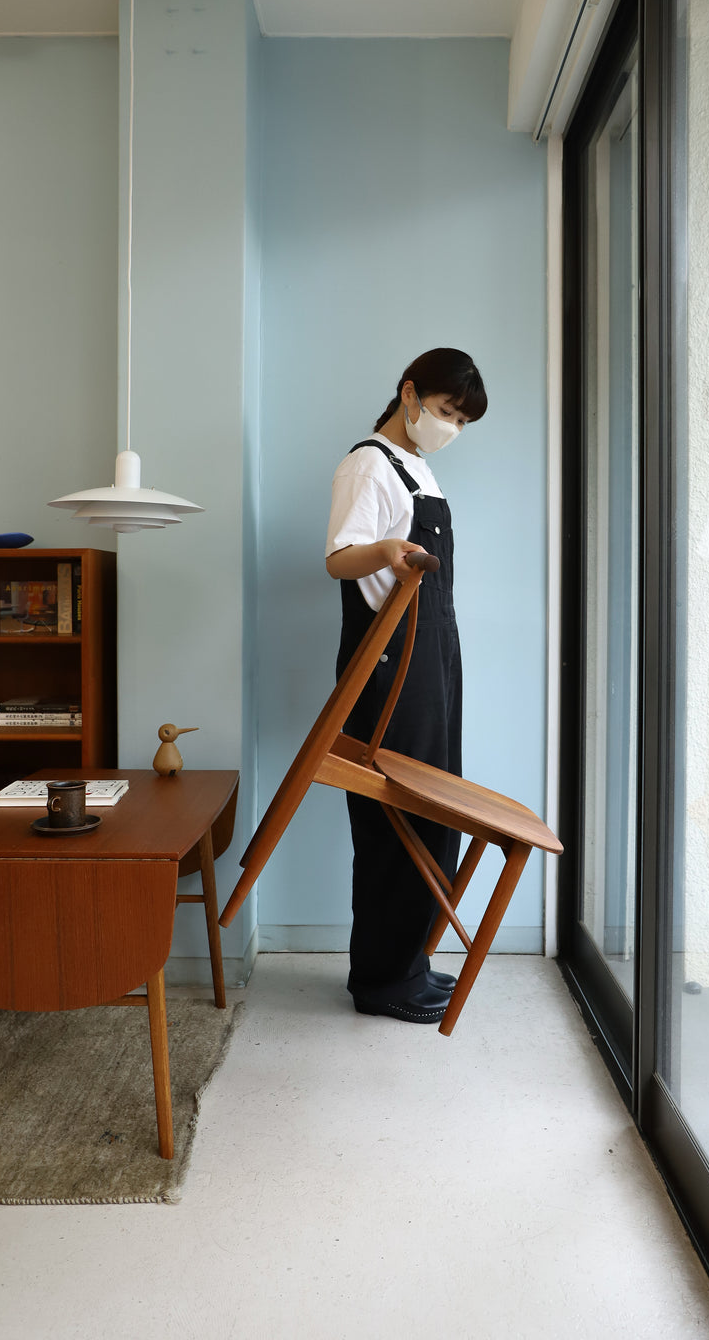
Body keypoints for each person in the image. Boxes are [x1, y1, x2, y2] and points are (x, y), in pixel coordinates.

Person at [325, 348, 488, 1023]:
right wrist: (388, 551)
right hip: (391, 663)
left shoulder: (416, 466)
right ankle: (381, 980)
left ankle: (407, 962)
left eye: (462, 421)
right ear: (410, 393)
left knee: (432, 808)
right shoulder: (368, 464)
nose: (452, 428)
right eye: (448, 412)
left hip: (432, 655)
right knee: (394, 816)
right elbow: (339, 559)